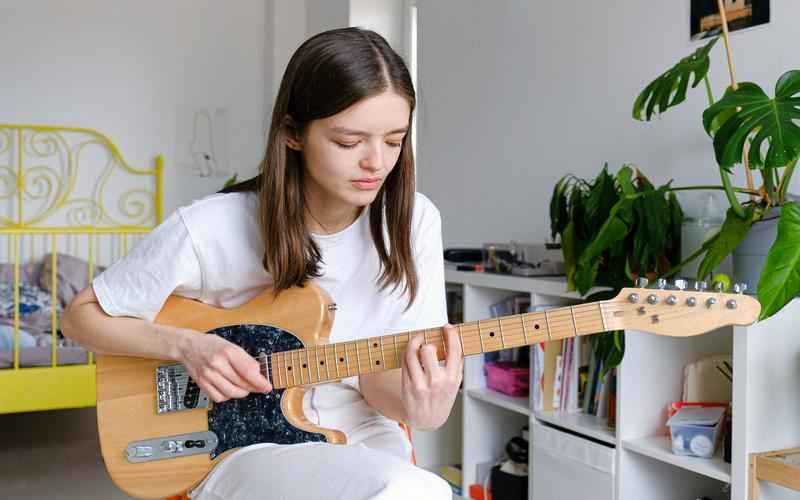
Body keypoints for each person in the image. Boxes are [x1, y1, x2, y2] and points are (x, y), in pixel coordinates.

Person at [62, 27, 461, 500]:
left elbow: (380, 383)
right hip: (243, 448)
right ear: (293, 133)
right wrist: (188, 347)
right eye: (349, 141)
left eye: (394, 141)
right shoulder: (213, 226)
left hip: (364, 438)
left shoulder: (414, 222)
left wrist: (426, 408)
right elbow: (79, 318)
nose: (376, 162)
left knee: (417, 490)